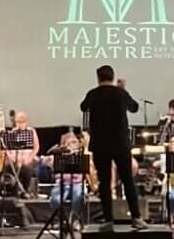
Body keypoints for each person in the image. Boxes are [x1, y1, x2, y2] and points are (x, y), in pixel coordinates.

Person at [80, 65, 145, 230]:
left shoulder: (93, 94)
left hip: (100, 145)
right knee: (128, 180)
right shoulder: (120, 93)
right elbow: (135, 107)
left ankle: (108, 220)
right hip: (120, 144)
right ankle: (136, 218)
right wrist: (122, 89)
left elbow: (83, 107)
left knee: (104, 182)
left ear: (98, 78)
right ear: (113, 76)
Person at [47, 131, 87, 222]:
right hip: (61, 184)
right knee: (55, 200)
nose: (71, 145)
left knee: (78, 197)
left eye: (74, 142)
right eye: (68, 143)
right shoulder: (59, 157)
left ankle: (74, 221)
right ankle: (62, 221)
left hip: (77, 184)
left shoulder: (81, 156)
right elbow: (45, 162)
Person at [3, 111, 40, 194]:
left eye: (22, 122)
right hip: (16, 158)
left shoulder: (31, 131)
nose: (20, 124)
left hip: (28, 158)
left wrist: (28, 158)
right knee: (8, 166)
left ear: (26, 122)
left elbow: (36, 147)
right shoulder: (13, 132)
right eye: (18, 122)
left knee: (26, 167)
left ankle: (25, 190)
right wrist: (11, 156)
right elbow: (8, 148)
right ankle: (10, 190)